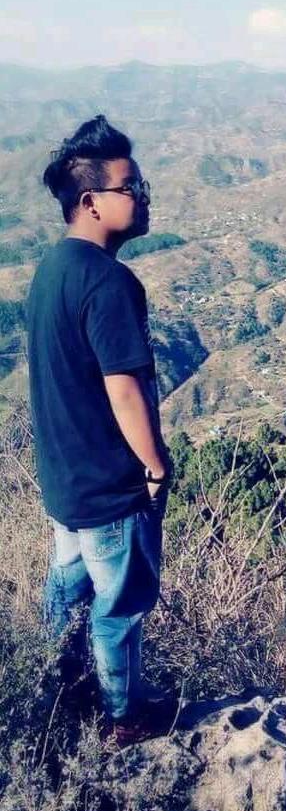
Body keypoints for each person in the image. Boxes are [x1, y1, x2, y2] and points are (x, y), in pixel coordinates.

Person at [25, 114, 177, 748]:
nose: (142, 197)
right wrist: (155, 466)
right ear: (91, 201)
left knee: (67, 594)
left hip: (65, 482)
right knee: (120, 607)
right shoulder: (109, 282)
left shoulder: (52, 268)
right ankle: (123, 718)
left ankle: (51, 695)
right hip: (110, 485)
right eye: (130, 187)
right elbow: (124, 389)